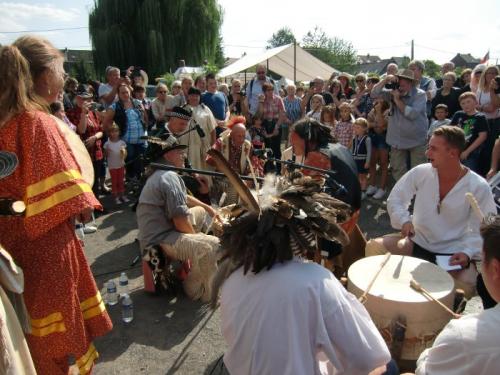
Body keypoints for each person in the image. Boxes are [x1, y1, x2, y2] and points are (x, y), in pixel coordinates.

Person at [0, 35, 112, 374]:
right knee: (60, 346)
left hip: (8, 253)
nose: (63, 79)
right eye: (61, 70)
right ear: (44, 75)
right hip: (45, 254)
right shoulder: (37, 123)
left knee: (24, 341)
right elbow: (76, 204)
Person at [211, 172, 391, 375]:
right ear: (304, 235)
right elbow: (369, 358)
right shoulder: (316, 282)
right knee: (386, 367)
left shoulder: (232, 279)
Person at [366, 126, 496, 296]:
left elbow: (484, 226)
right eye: (428, 147)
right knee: (375, 248)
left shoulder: (478, 186)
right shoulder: (421, 172)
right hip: (416, 241)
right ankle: (381, 299)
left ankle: (443, 318)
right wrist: (405, 220)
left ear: (453, 153)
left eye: (434, 149)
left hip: (451, 254)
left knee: (469, 283)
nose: (427, 153)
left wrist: (467, 252)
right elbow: (396, 199)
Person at [414, 214, 500, 375]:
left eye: (482, 259)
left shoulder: (463, 336)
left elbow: (427, 371)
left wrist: (431, 350)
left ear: (495, 269)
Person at [136, 141, 220, 302]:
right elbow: (179, 220)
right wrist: (197, 238)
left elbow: (183, 196)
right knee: (211, 245)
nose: (184, 155)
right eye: (179, 153)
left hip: (157, 233)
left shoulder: (161, 174)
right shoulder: (169, 177)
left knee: (201, 212)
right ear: (167, 155)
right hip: (158, 241)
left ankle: (192, 264)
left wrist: (207, 207)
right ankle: (196, 290)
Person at [371, 68, 428, 181]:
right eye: (398, 82)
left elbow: (411, 114)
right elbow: (373, 93)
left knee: (418, 171)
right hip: (396, 139)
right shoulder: (393, 91)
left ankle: (417, 196)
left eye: (403, 84)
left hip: (416, 140)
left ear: (410, 83)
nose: (400, 87)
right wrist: (385, 80)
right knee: (397, 168)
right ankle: (403, 194)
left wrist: (397, 100)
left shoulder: (420, 95)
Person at [67, 84, 109, 196]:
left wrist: (95, 137)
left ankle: (97, 206)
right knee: (86, 182)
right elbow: (81, 129)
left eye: (88, 98)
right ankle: (89, 209)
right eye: (83, 98)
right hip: (83, 153)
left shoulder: (93, 112)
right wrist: (83, 113)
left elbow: (101, 130)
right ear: (77, 98)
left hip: (96, 151)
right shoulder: (71, 112)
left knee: (96, 181)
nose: (86, 101)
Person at [103, 83, 148, 181]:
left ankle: (138, 182)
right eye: (122, 93)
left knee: (141, 163)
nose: (125, 94)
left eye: (127, 92)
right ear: (118, 94)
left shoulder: (138, 103)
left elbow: (145, 118)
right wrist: (112, 137)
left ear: (130, 92)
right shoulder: (114, 107)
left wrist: (145, 129)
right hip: (127, 141)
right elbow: (106, 123)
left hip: (142, 140)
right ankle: (130, 182)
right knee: (130, 162)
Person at [206, 117, 253, 205]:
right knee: (231, 188)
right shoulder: (221, 142)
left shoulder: (247, 146)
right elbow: (209, 159)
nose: (242, 139)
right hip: (220, 178)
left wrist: (248, 179)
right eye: (239, 136)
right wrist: (224, 169)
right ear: (231, 134)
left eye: (243, 136)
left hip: (240, 180)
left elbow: (249, 167)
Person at [450, 92, 488, 174]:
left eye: (468, 102)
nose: (466, 105)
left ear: (475, 102)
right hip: (455, 151)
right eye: (463, 103)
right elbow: (450, 131)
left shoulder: (480, 117)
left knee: (468, 175)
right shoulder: (458, 114)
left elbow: (483, 136)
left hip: (471, 153)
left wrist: (467, 152)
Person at [183, 87, 217, 171]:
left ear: (199, 97)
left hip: (204, 146)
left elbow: (213, 130)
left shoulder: (205, 109)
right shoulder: (182, 109)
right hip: (188, 148)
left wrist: (213, 147)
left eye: (196, 95)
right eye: (192, 95)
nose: (194, 98)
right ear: (188, 96)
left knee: (205, 171)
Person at [366, 98, 391, 200]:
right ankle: (372, 185)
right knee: (372, 162)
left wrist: (379, 111)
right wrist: (376, 125)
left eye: (380, 102)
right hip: (373, 137)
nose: (378, 103)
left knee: (383, 163)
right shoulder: (372, 111)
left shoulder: (387, 111)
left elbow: (382, 126)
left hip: (383, 138)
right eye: (377, 102)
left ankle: (382, 188)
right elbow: (367, 124)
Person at [256, 81, 286, 160]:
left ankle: (279, 168)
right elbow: (259, 114)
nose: (270, 92)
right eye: (268, 90)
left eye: (271, 89)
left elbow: (282, 113)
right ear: (264, 91)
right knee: (266, 146)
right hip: (265, 124)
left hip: (276, 123)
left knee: (276, 147)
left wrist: (277, 126)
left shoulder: (278, 99)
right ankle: (269, 166)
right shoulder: (262, 99)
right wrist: (261, 102)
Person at [104, 123, 128, 204]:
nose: (114, 133)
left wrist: (123, 151)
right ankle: (116, 197)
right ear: (109, 133)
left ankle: (122, 195)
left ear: (119, 132)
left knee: (121, 181)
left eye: (116, 131)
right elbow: (106, 156)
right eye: (112, 132)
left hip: (121, 165)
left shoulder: (122, 143)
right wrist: (106, 151)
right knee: (114, 182)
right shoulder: (107, 144)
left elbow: (125, 154)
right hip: (112, 166)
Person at [201, 73, 229, 137]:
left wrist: (225, 120)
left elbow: (227, 110)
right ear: (206, 83)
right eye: (211, 83)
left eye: (215, 83)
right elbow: (204, 113)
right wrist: (218, 122)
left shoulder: (222, 94)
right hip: (211, 130)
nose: (213, 85)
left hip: (224, 128)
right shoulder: (203, 96)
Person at [352, 118, 372, 199]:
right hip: (355, 160)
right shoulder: (354, 138)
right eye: (355, 127)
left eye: (358, 128)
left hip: (363, 161)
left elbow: (369, 152)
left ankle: (363, 191)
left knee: (363, 177)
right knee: (357, 176)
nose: (356, 130)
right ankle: (357, 190)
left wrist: (367, 162)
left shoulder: (367, 139)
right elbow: (352, 149)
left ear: (364, 128)